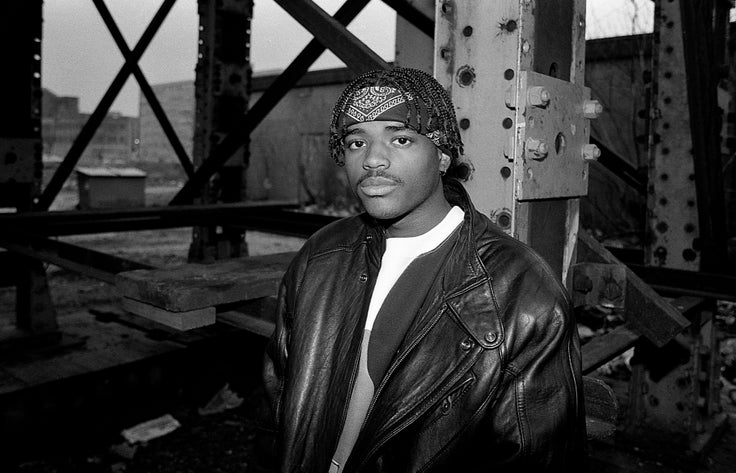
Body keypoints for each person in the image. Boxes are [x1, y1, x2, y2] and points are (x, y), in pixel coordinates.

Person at [262, 67, 585, 472]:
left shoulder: (523, 291)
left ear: (443, 155)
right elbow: (279, 402)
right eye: (356, 141)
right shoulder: (321, 256)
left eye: (400, 138)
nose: (373, 160)